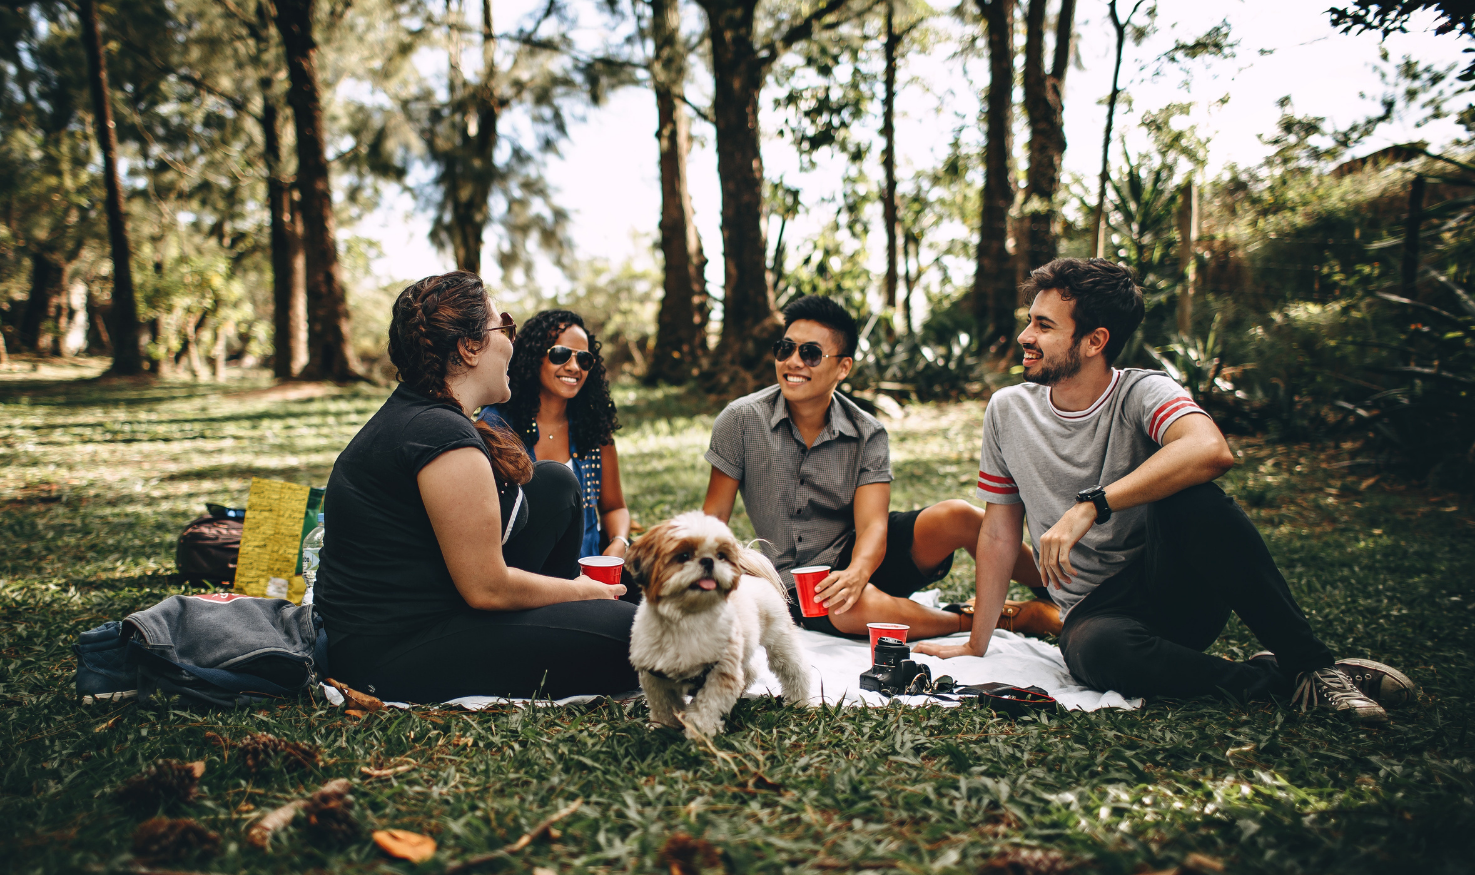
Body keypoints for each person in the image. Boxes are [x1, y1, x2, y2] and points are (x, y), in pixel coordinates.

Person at [916, 258, 1415, 724]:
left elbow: (1210, 449)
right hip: (1097, 616)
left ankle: (1314, 664)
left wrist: (1094, 504)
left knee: (1194, 498)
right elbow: (1000, 532)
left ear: (1095, 341)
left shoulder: (1142, 391)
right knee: (1096, 653)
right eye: (1031, 320)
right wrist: (976, 644)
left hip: (1174, 586)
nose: (1025, 336)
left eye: (1044, 326)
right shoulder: (1008, 410)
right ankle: (1285, 680)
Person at [313, 272, 638, 703]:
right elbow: (487, 588)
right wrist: (585, 589)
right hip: (390, 651)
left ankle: (574, 618)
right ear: (468, 348)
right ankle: (582, 618)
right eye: (503, 327)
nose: (511, 341)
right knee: (637, 636)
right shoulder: (439, 435)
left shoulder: (427, 415)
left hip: (439, 603)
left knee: (555, 483)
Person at [701, 294, 1046, 640]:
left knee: (959, 515)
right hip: (799, 582)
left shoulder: (867, 432)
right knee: (846, 607)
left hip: (864, 555)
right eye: (785, 349)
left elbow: (872, 527)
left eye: (810, 353)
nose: (793, 362)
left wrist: (858, 572)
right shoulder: (740, 420)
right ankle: (990, 620)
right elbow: (713, 518)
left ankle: (1064, 593)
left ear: (843, 367)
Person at [477, 310, 631, 563]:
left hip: (590, 571)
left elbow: (614, 507)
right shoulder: (496, 426)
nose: (573, 367)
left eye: (584, 359)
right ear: (533, 357)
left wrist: (618, 544)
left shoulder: (593, 428)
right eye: (560, 354)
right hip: (525, 575)